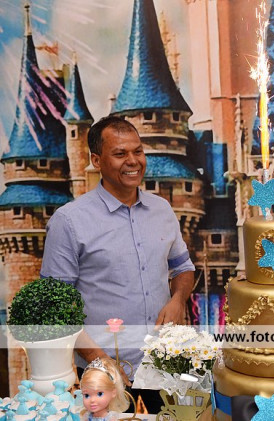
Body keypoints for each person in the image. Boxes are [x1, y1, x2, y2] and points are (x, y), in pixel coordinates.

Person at [41, 116, 196, 413]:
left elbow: (183, 268)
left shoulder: (162, 210)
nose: (133, 161)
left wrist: (178, 299)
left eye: (138, 151)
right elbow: (55, 309)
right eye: (120, 153)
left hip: (165, 369)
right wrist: (101, 362)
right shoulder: (69, 221)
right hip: (105, 380)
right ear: (96, 160)